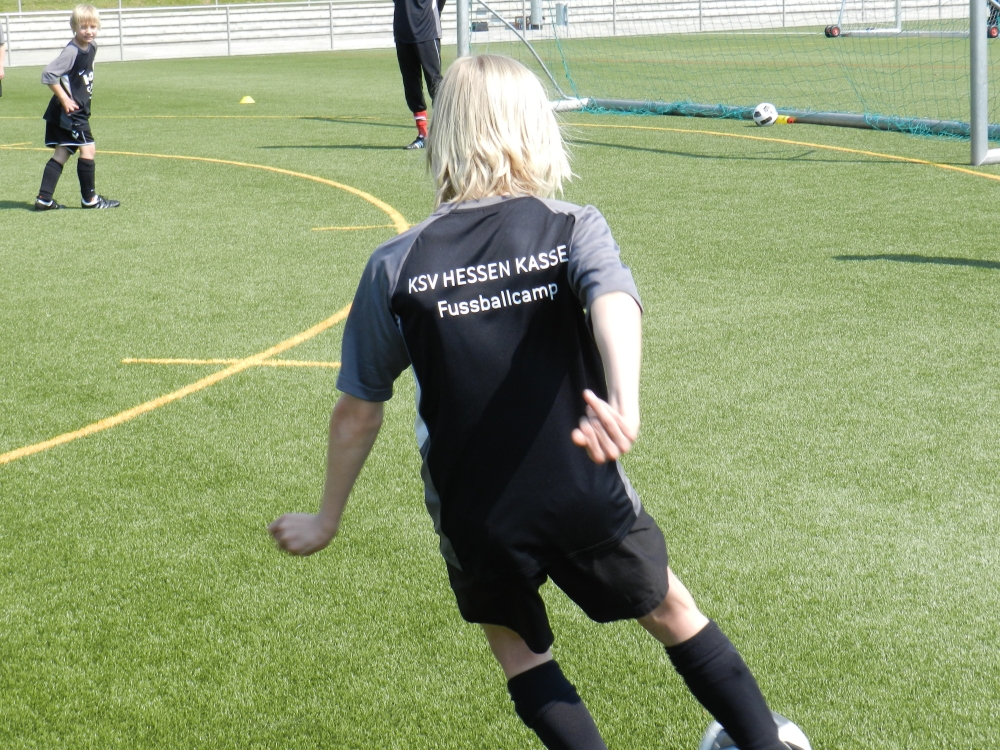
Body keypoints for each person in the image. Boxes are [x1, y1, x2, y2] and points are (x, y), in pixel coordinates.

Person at [269, 54, 793, 750]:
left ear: (443, 135)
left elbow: (358, 410)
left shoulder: (395, 264)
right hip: (581, 482)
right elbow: (614, 299)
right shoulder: (570, 226)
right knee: (672, 611)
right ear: (536, 128)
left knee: (521, 654)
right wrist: (625, 400)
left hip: (476, 510)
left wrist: (326, 517)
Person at [35, 4, 119, 211]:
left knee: (63, 152)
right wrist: (65, 98)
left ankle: (44, 199)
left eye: (93, 27)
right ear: (74, 27)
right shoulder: (71, 52)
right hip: (71, 113)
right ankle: (90, 200)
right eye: (83, 27)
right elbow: (48, 74)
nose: (89, 31)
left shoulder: (92, 47)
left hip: (75, 111)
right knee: (88, 149)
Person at [393, 0, 445, 149]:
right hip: (402, 33)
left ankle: (447, 134)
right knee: (411, 85)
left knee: (435, 84)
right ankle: (423, 135)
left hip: (427, 30)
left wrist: (431, 12)